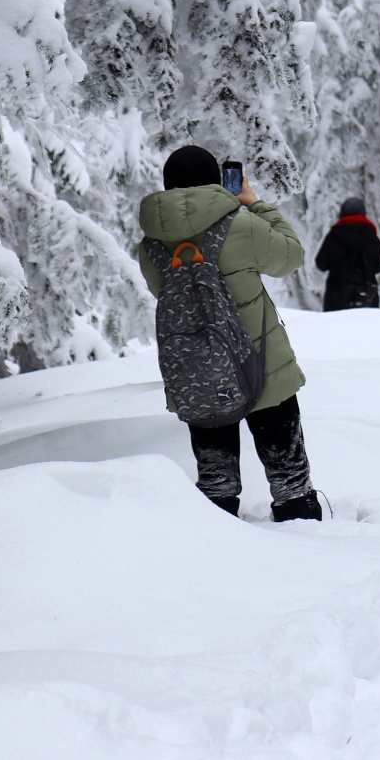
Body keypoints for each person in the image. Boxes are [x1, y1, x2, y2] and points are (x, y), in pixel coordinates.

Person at [137, 145, 322, 522]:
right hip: (262, 364)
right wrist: (255, 204)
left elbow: (167, 295)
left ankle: (216, 551)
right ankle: (303, 534)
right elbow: (290, 256)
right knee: (291, 485)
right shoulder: (240, 223)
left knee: (216, 488)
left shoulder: (151, 244)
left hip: (197, 372)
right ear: (217, 181)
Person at [315, 196, 380, 311]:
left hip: (337, 296)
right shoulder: (371, 237)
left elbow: (321, 264)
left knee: (336, 328)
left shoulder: (334, 235)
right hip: (366, 295)